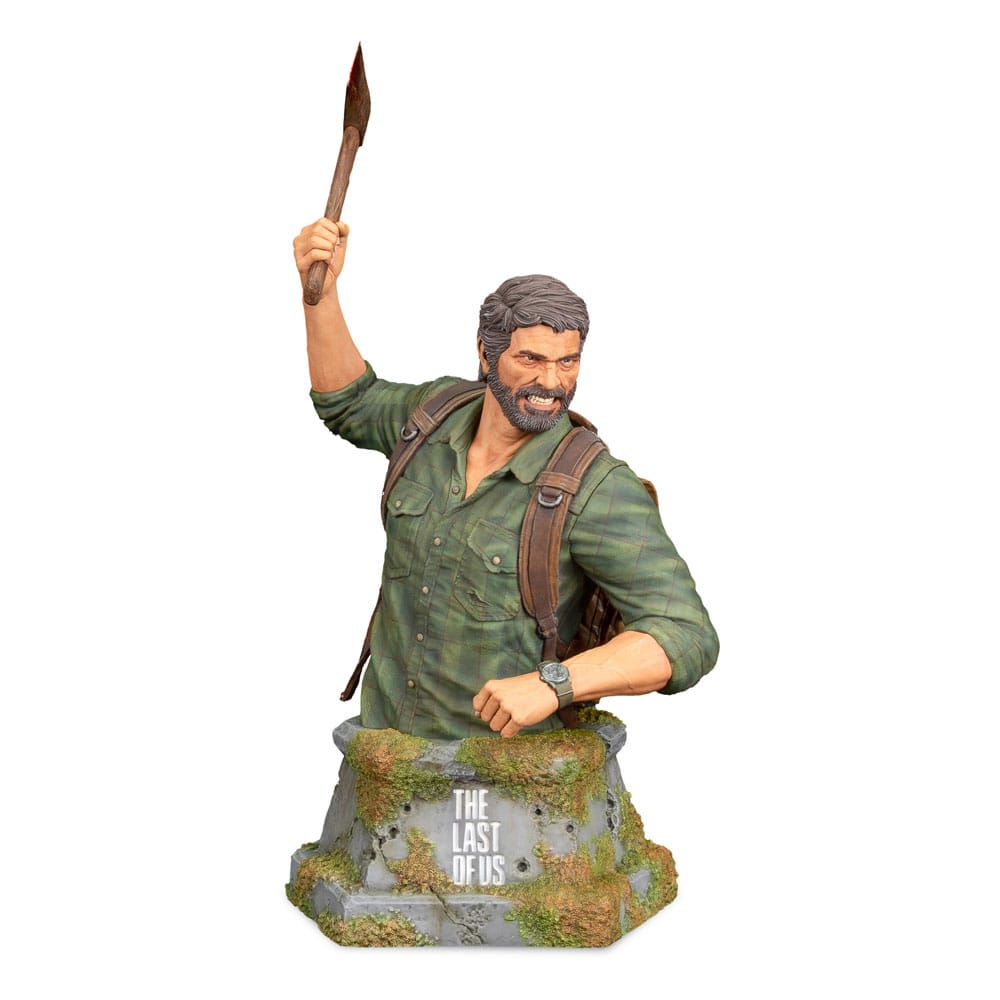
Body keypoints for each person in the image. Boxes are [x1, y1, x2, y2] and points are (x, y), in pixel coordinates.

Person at [294, 218, 719, 741]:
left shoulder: (596, 488)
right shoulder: (433, 417)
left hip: (504, 778)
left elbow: (687, 634)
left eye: (568, 361)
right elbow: (351, 402)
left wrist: (555, 683)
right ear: (485, 352)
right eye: (530, 359)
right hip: (382, 758)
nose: (552, 381)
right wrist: (320, 296)